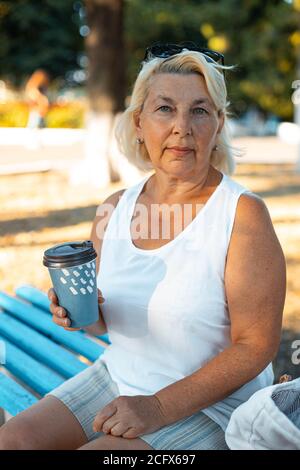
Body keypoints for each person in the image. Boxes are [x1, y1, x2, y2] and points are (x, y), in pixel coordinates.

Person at [0, 42, 286, 450]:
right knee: (12, 442)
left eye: (200, 111)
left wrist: (156, 407)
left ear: (218, 124)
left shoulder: (242, 216)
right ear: (139, 122)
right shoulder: (114, 209)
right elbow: (102, 322)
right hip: (120, 375)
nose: (181, 127)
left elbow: (256, 346)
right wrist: (80, 312)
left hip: (217, 407)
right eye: (165, 108)